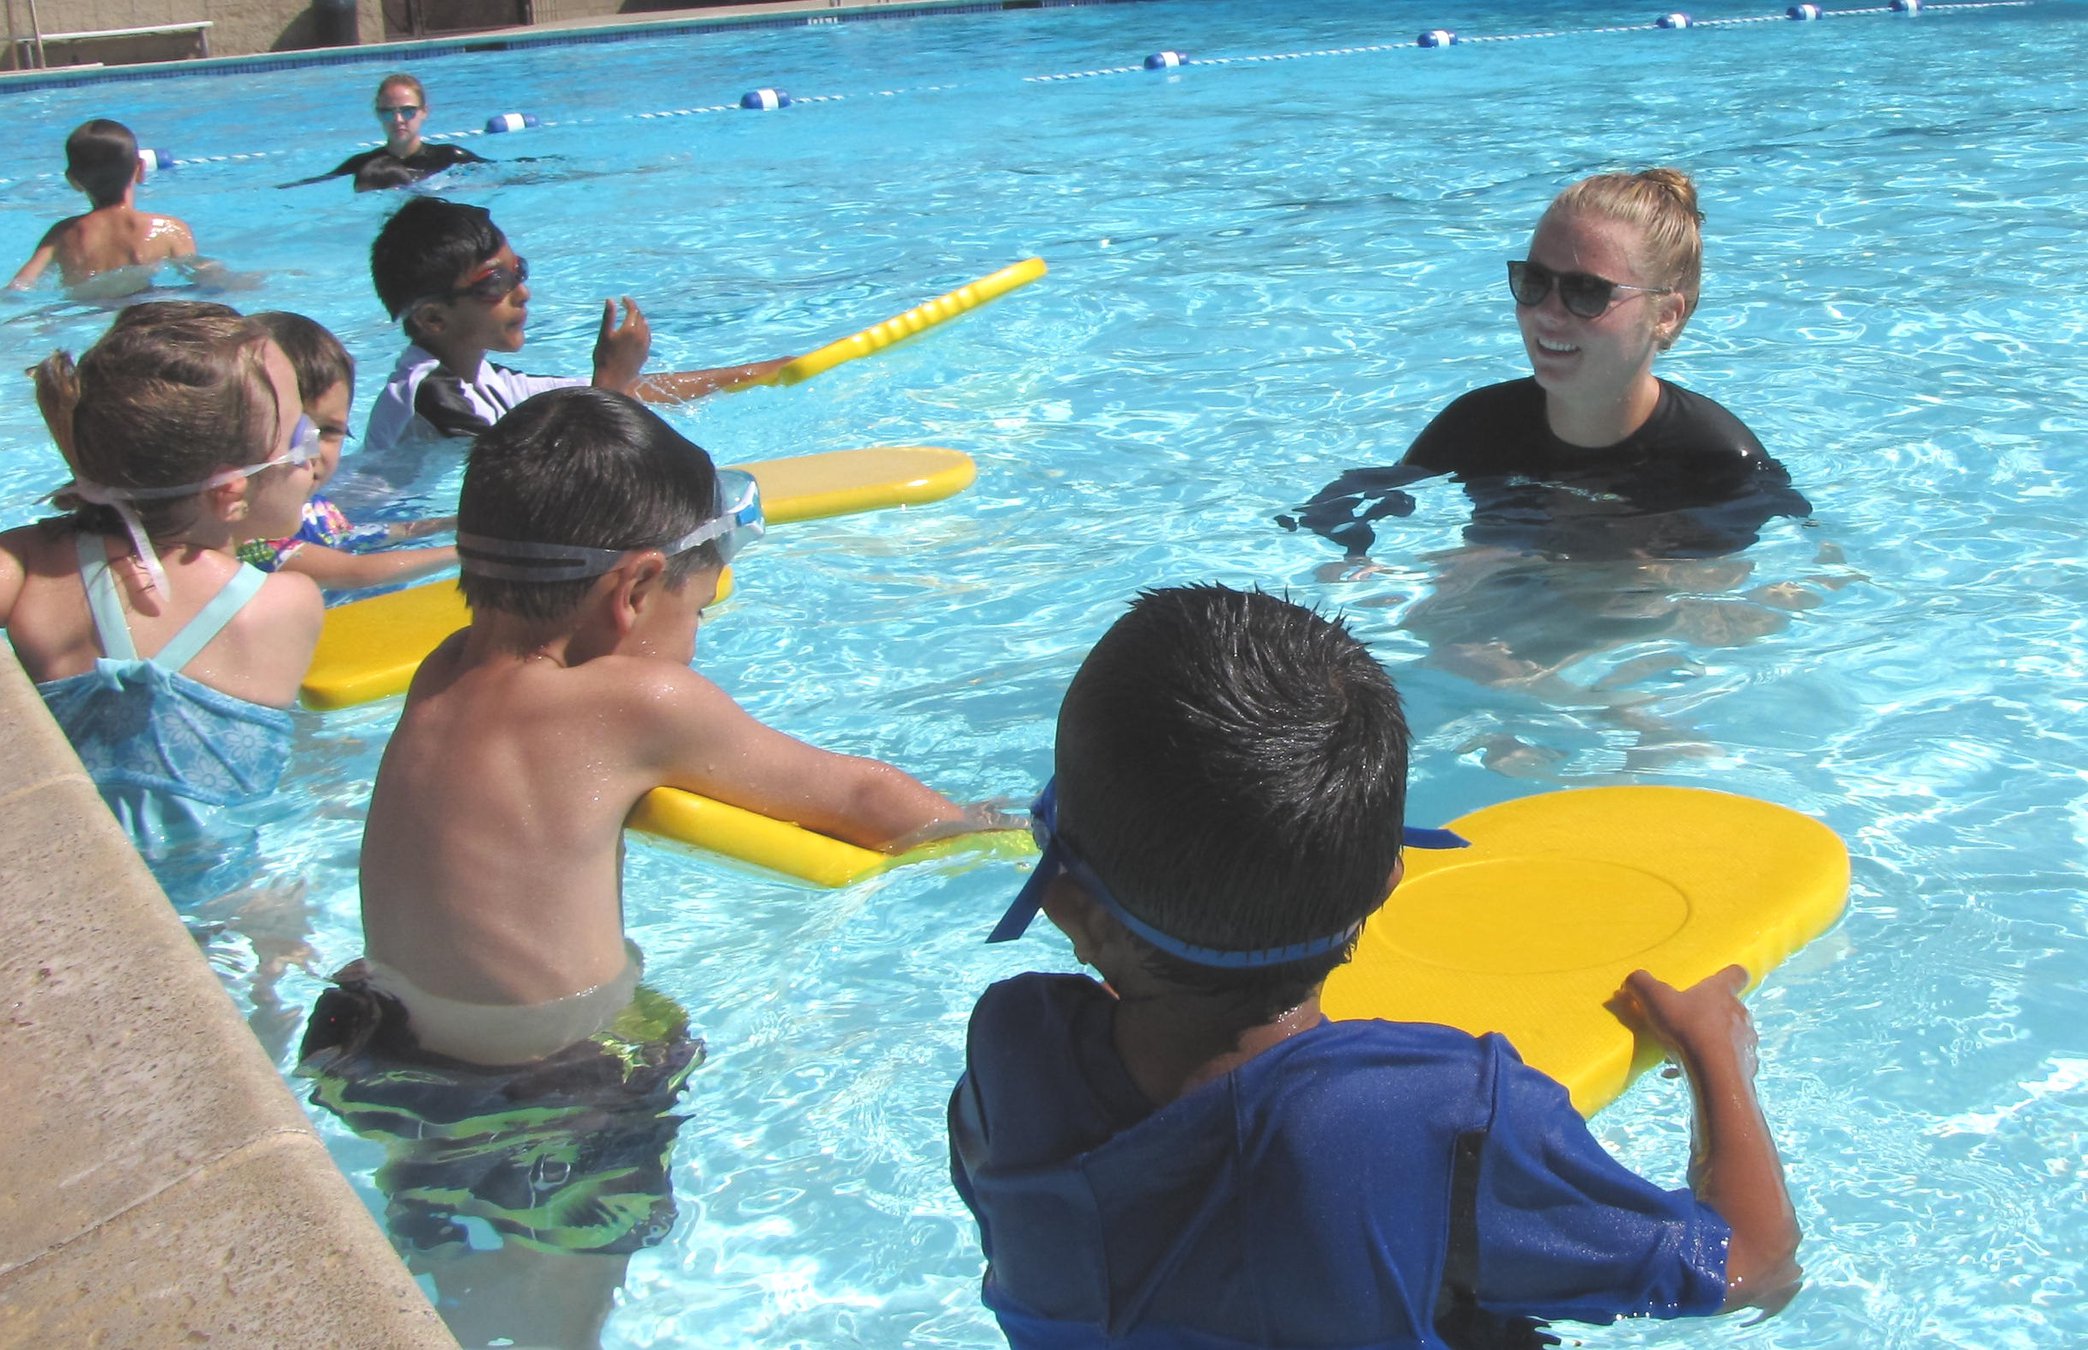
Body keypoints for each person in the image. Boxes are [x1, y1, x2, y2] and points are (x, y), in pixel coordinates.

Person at [300, 386, 996, 1344]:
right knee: (567, 1305)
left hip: (382, 1047)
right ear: (631, 594)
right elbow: (863, 802)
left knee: (448, 1271)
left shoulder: (445, 665)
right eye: (699, 605)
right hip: (549, 1088)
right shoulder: (639, 702)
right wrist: (987, 828)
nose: (698, 633)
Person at [951, 583, 1803, 1347]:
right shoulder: (1438, 1111)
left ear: (1069, 906)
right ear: (1393, 883)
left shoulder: (1011, 1055)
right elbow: (1753, 1272)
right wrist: (1717, 1052)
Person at [1284, 168, 1809, 566]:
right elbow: (1355, 509)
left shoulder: (1720, 463)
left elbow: (1767, 588)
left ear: (1666, 316)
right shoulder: (1477, 425)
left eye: (1587, 292)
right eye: (1533, 282)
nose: (1547, 314)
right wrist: (1356, 562)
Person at [1, 306, 324, 870]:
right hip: (224, 887)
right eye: (303, 435)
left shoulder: (27, 569)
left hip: (67, 867)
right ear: (230, 493)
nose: (317, 454)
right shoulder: (282, 603)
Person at [362, 197, 791, 456]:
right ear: (433, 318)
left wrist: (768, 372)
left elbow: (633, 391)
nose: (523, 292)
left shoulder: (484, 379)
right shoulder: (430, 394)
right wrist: (610, 380)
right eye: (497, 282)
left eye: (520, 271)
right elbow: (530, 485)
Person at [241, 311, 457, 591]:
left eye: (329, 431)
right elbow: (353, 573)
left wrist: (449, 524)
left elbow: (358, 536)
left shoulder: (315, 509)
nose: (311, 450)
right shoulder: (247, 536)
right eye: (291, 432)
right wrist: (468, 552)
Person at [8, 120, 221, 299]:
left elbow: (19, 287)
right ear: (140, 169)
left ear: (73, 180)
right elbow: (207, 279)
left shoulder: (61, 235)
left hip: (83, 315)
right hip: (145, 311)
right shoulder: (171, 230)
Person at [279, 73, 490, 193]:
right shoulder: (363, 165)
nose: (398, 120)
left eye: (407, 111)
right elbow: (311, 184)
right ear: (377, 114)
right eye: (388, 112)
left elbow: (506, 174)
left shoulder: (450, 157)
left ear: (424, 111)